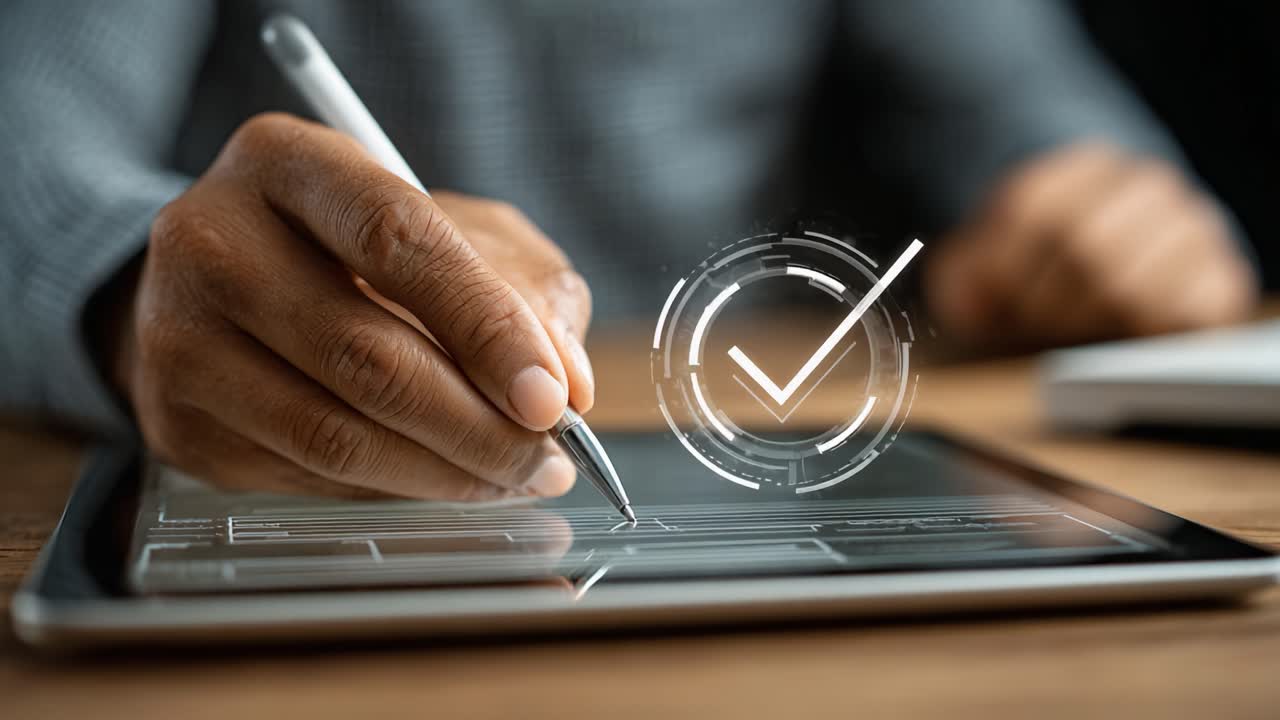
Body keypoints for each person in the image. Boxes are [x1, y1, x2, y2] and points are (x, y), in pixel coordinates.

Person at [0, 1, 1258, 502]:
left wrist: (1100, 216)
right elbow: (26, 141)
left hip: (764, 473)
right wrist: (127, 283)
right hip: (303, 458)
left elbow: (1030, 106)